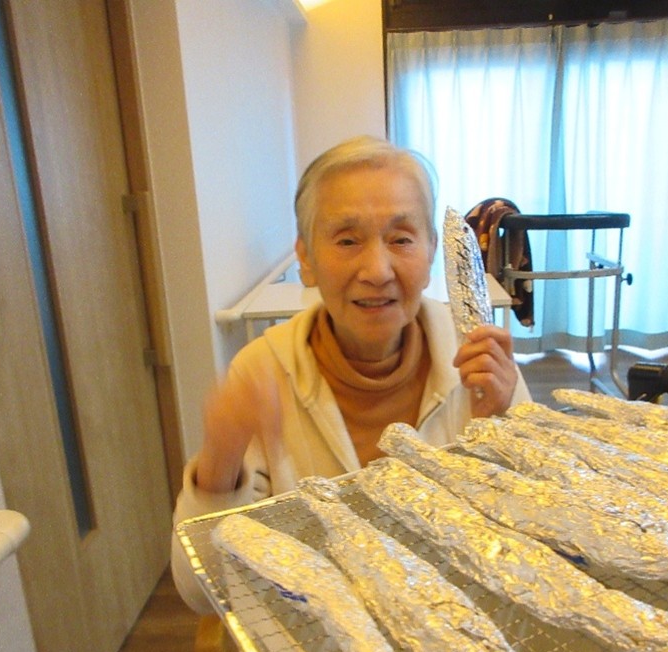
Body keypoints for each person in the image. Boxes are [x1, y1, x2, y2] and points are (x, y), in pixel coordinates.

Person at [172, 135, 531, 613]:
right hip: (325, 636)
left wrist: (500, 430)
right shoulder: (261, 373)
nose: (377, 270)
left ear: (430, 253)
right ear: (306, 258)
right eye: (347, 240)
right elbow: (201, 593)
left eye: (401, 239)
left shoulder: (480, 359)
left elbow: (533, 547)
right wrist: (220, 461)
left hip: (465, 625)